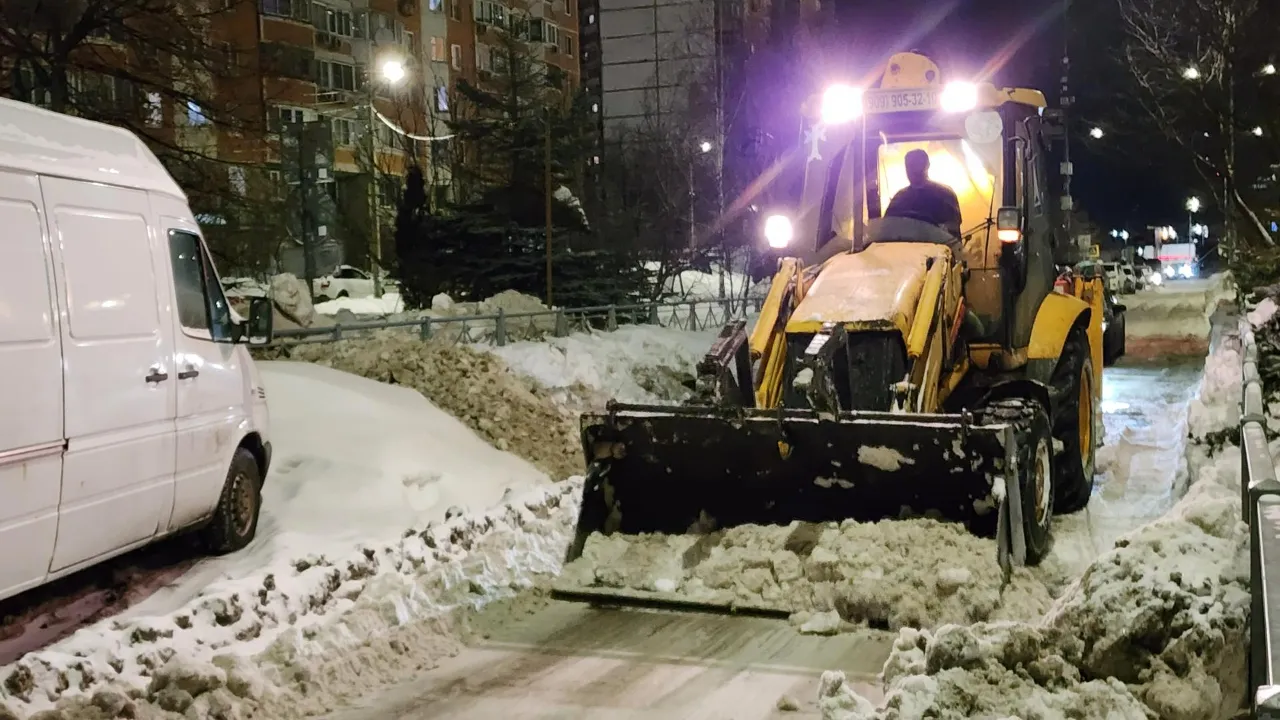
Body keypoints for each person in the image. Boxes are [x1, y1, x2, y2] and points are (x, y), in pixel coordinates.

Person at [884, 149, 962, 238]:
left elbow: (953, 227)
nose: (914, 170)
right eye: (910, 166)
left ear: (927, 165)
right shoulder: (899, 198)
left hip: (937, 245)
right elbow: (886, 228)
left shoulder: (944, 194)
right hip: (904, 245)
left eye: (918, 165)